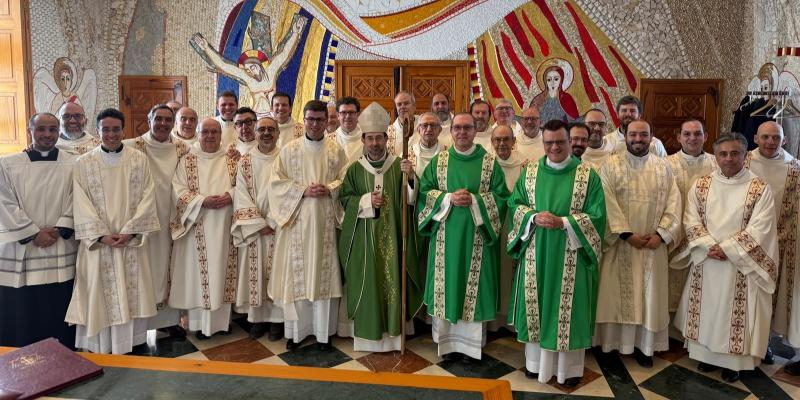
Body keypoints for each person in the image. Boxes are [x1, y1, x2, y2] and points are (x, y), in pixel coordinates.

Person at [507, 119, 606, 387]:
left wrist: (564, 223)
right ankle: (535, 364)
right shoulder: (529, 173)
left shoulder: (588, 176)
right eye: (549, 142)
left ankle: (568, 370)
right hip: (536, 254)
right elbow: (514, 205)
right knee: (536, 306)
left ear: (569, 141)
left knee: (567, 311)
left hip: (571, 254)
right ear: (543, 142)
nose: (554, 147)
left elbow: (598, 217)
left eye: (560, 142)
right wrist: (532, 216)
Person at [674, 132, 777, 383]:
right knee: (708, 311)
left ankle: (734, 363)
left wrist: (729, 248)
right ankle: (707, 357)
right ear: (716, 155)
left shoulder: (759, 188)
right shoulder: (702, 185)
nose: (728, 159)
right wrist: (710, 246)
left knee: (733, 313)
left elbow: (761, 227)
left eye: (734, 153)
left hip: (740, 264)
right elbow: (691, 219)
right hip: (708, 259)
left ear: (745, 155)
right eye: (723, 154)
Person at [66, 108, 160, 354]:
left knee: (131, 291)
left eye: (115, 129)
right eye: (105, 129)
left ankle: (131, 342)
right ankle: (100, 345)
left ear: (123, 130)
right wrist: (101, 234)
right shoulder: (83, 163)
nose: (110, 134)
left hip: (130, 242)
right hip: (99, 244)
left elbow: (148, 197)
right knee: (99, 291)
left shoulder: (139, 159)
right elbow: (80, 201)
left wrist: (130, 231)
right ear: (97, 131)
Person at [417, 112, 510, 361]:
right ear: (451, 131)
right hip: (445, 240)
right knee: (447, 285)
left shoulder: (489, 164)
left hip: (476, 238)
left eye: (467, 128)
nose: (461, 132)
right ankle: (445, 343)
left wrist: (476, 200)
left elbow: (502, 198)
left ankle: (470, 347)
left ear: (475, 130)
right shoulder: (440, 162)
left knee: (473, 290)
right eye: (457, 128)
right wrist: (447, 198)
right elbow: (424, 192)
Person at [595, 119, 681, 367]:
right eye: (633, 134)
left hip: (653, 246)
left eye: (643, 135)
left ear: (651, 137)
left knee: (649, 298)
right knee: (614, 296)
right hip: (620, 245)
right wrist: (625, 234)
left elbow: (674, 203)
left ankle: (645, 347)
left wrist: (662, 234)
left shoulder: (663, 167)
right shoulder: (610, 165)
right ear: (626, 137)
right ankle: (610, 345)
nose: (638, 139)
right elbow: (605, 200)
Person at [338, 102, 422, 351]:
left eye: (379, 138)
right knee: (368, 283)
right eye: (370, 138)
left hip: (394, 240)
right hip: (364, 243)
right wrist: (365, 201)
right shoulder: (354, 170)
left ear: (387, 138)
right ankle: (367, 336)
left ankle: (395, 336)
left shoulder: (399, 166)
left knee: (393, 280)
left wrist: (410, 179)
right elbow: (344, 200)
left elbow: (412, 201)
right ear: (363, 140)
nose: (375, 143)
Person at [268, 100, 349, 350]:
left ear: (327, 121)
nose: (315, 124)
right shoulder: (288, 150)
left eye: (320, 119)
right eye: (311, 119)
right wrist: (302, 191)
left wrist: (330, 188)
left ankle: (324, 335)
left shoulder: (336, 150)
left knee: (323, 277)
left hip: (326, 223)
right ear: (304, 120)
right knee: (297, 279)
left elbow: (346, 181)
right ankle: (297, 333)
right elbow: (275, 184)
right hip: (297, 224)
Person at [0, 113, 78, 348]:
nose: (47, 134)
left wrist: (61, 227)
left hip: (60, 244)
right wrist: (33, 232)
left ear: (58, 131)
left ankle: (63, 354)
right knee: (24, 309)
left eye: (53, 129)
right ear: (29, 131)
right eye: (41, 129)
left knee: (59, 306)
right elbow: (4, 202)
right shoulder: (7, 164)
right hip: (23, 248)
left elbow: (79, 197)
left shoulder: (73, 163)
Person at [124, 104, 190, 339]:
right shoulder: (132, 146)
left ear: (173, 123)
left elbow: (208, 155)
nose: (162, 124)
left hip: (173, 217)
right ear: (149, 119)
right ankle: (140, 323)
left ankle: (170, 320)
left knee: (170, 267)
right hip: (142, 220)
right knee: (145, 268)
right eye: (158, 119)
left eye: (167, 120)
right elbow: (99, 152)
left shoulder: (184, 148)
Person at [169, 118, 238, 340]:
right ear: (198, 134)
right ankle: (198, 324)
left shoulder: (231, 160)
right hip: (196, 226)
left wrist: (230, 196)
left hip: (225, 226)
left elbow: (245, 186)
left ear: (221, 135)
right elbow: (177, 190)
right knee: (198, 276)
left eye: (214, 132)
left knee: (221, 270)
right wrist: (201, 201)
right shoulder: (187, 160)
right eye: (205, 132)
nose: (209, 136)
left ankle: (222, 323)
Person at [746, 121, 800, 365]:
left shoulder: (794, 168)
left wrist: (779, 236)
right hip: (746, 240)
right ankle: (742, 343)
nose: (770, 142)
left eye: (775, 138)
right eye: (765, 137)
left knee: (771, 295)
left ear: (784, 140)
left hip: (780, 240)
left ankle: (764, 342)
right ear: (756, 138)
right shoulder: (742, 160)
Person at [231, 117, 284, 341]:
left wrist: (272, 221)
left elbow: (287, 191)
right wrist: (259, 223)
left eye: (271, 129)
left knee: (278, 276)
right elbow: (240, 194)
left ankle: (277, 322)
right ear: (255, 131)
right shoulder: (245, 161)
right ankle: (258, 320)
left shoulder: (286, 158)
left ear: (278, 133)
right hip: (255, 229)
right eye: (261, 129)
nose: (266, 133)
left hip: (280, 227)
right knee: (257, 274)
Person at [665, 119, 716, 327]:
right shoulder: (666, 163)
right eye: (687, 134)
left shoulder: (717, 163)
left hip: (706, 235)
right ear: (679, 137)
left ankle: (696, 328)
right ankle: (670, 330)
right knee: (671, 283)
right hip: (675, 233)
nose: (692, 138)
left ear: (705, 136)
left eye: (697, 134)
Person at [489, 124, 524, 331]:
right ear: (492, 142)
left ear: (513, 141)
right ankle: (493, 321)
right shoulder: (486, 165)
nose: (502, 144)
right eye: (497, 140)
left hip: (516, 227)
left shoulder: (524, 166)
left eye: (506, 139)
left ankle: (510, 321)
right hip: (492, 225)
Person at [409, 112, 448, 177]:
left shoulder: (448, 153)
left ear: (440, 130)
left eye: (433, 125)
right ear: (418, 130)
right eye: (425, 125)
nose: (429, 129)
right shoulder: (408, 155)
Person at [331, 96, 363, 163]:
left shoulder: (368, 139)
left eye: (351, 112)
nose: (348, 116)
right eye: (343, 113)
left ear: (358, 114)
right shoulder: (329, 140)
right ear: (338, 116)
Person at [387, 91, 418, 156]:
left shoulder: (424, 126)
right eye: (399, 104)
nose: (402, 107)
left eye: (406, 103)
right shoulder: (388, 132)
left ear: (414, 106)